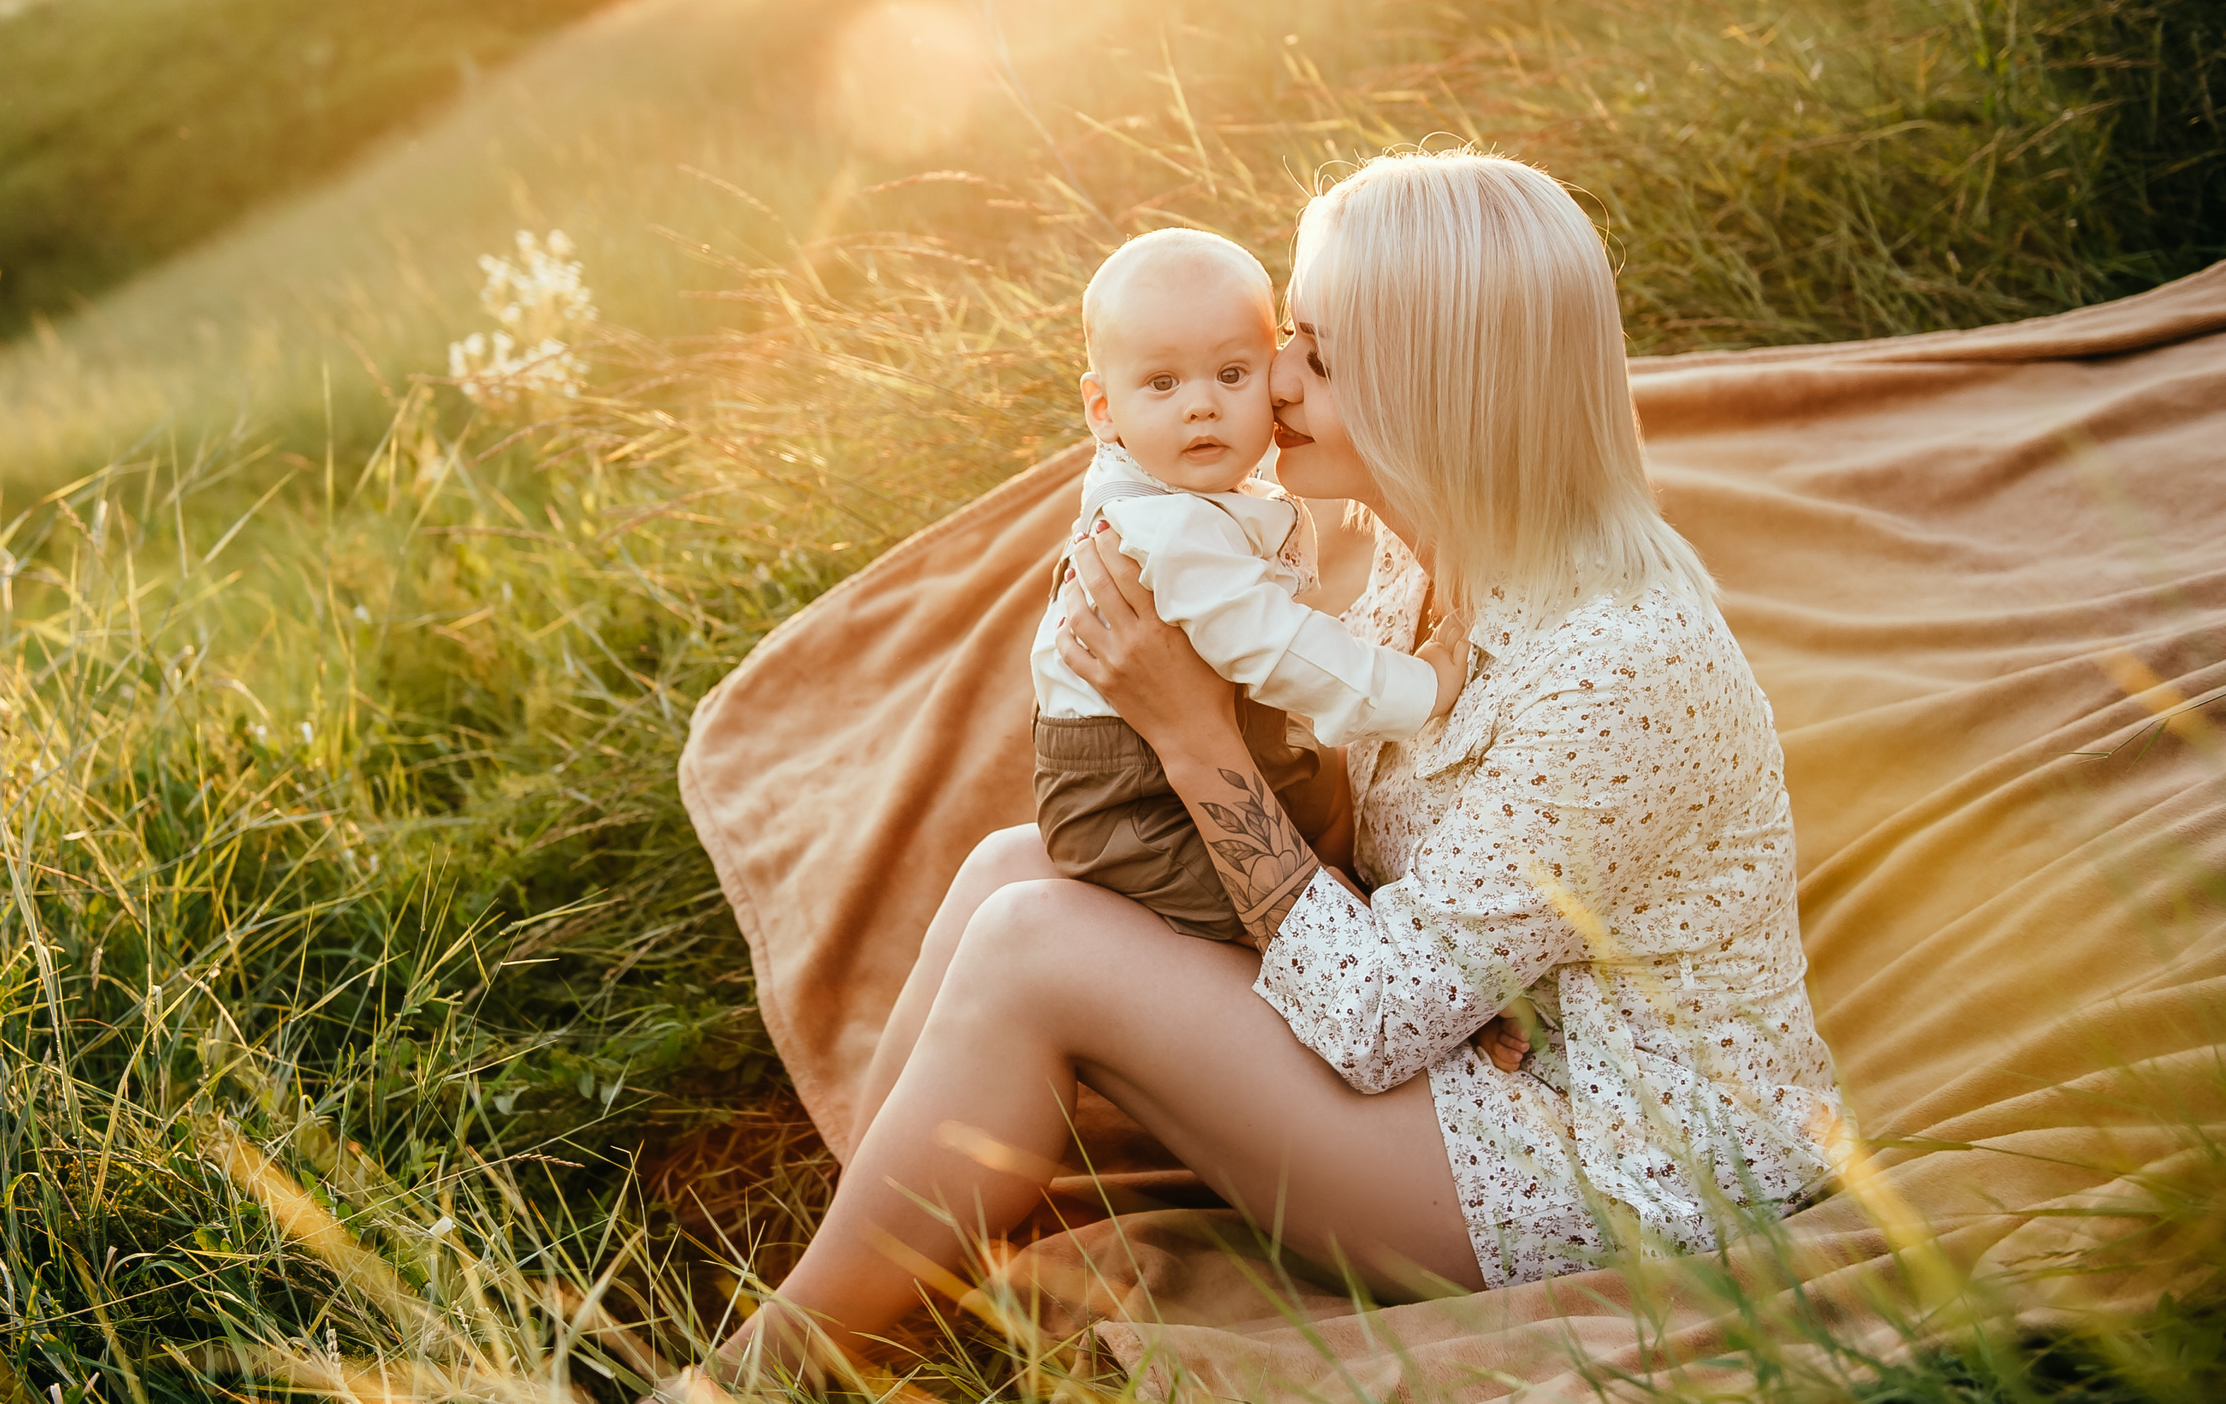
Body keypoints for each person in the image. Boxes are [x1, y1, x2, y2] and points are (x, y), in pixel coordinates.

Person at [676, 148, 1844, 1392]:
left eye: (1319, 358)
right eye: (1293, 333)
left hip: (1609, 1171)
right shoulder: (1430, 555)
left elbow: (1376, 1021)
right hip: (1473, 1046)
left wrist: (1189, 734)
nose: (1271, 378)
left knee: (1034, 947)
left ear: (1435, 394)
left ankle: (758, 1376)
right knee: (1017, 865)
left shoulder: (1620, 663)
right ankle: (887, 1227)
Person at [1031, 226, 1468, 946]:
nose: (1200, 406)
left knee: (1327, 821)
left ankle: (1381, 925)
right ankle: (1415, 987)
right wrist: (1414, 690)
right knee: (1290, 910)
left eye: (1233, 374)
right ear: (1103, 408)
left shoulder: (1197, 493)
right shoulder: (1166, 525)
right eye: (1163, 383)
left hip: (1225, 744)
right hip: (1134, 803)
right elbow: (1274, 647)